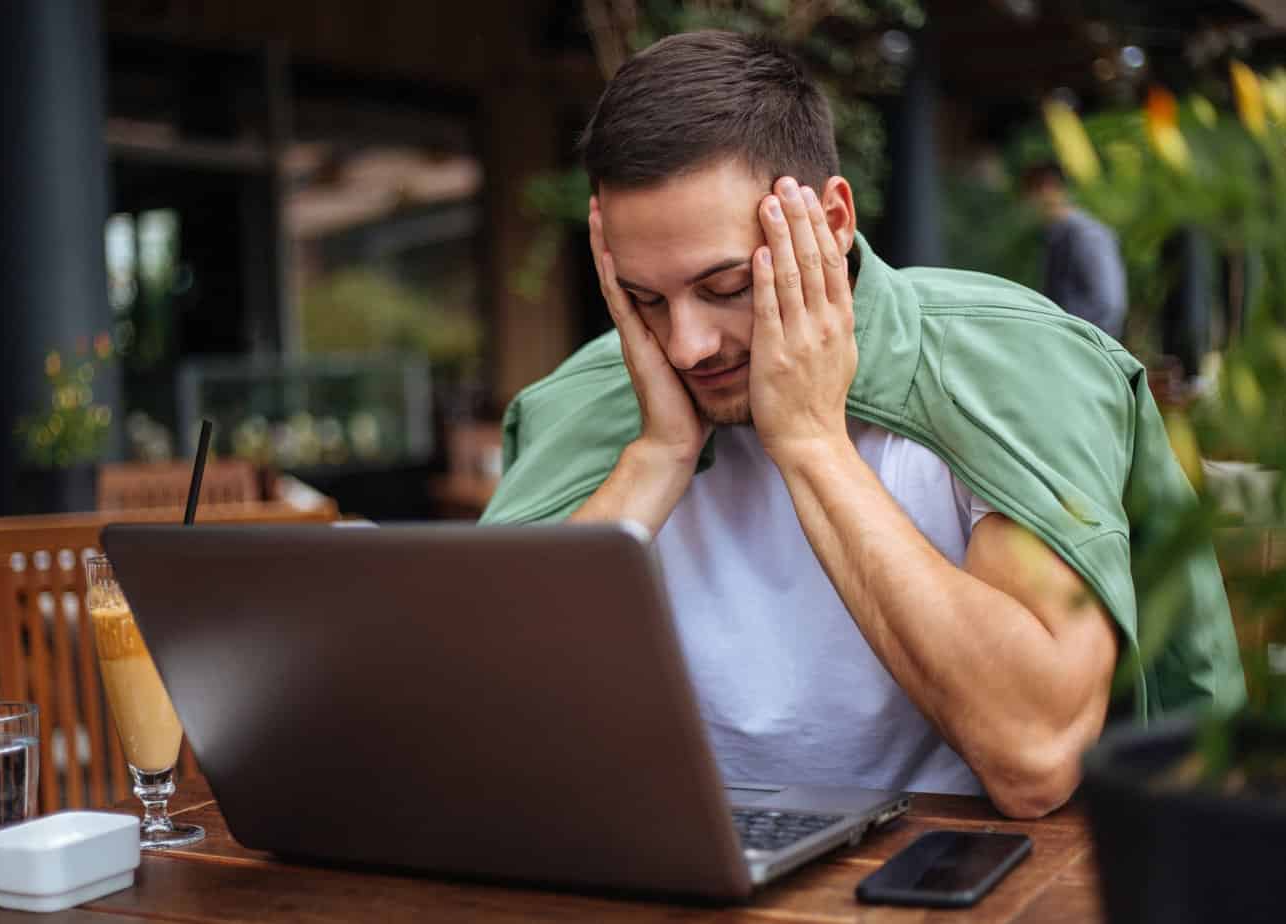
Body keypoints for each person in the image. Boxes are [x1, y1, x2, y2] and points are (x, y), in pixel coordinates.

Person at [481, 31, 1243, 818]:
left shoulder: (1014, 367)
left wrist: (811, 442)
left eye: (727, 284)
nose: (686, 344)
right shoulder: (576, 404)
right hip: (663, 862)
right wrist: (657, 455)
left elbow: (1035, 756)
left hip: (972, 882)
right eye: (645, 299)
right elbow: (470, 722)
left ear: (833, 220)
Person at [1021, 161, 1128, 338]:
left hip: (1084, 348)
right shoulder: (1055, 235)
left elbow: (1109, 303)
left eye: (1029, 193)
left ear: (1047, 188)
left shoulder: (1086, 235)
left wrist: (1077, 340)